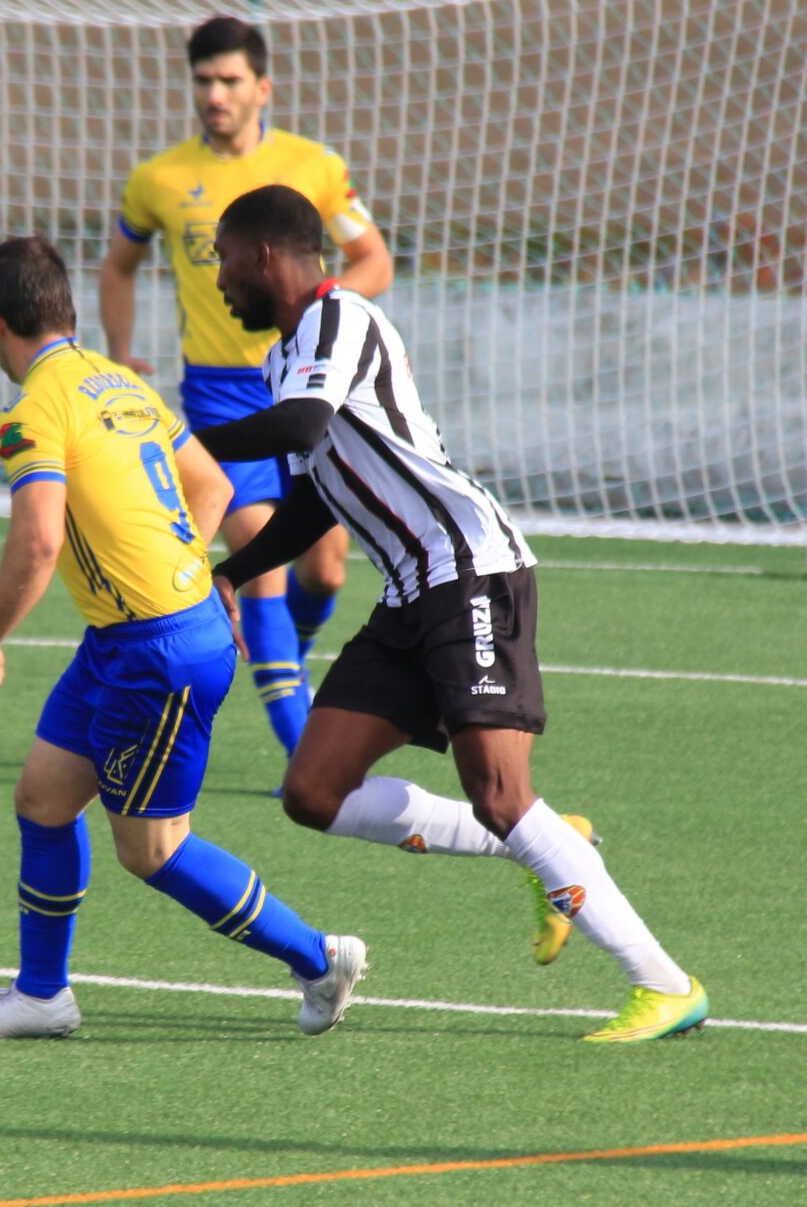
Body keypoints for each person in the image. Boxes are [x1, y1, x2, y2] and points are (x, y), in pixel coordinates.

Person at [197, 184, 709, 1043]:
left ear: (260, 254)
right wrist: (234, 568)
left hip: (470, 567)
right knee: (312, 790)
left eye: (221, 259)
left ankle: (664, 982)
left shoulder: (342, 317)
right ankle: (554, 844)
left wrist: (177, 440)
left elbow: (304, 422)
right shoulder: (281, 362)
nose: (216, 281)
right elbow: (319, 496)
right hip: (408, 589)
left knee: (501, 793)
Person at [0, 235, 367, 1040]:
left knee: (153, 849)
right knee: (42, 796)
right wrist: (187, 572)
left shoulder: (36, 407)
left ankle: (319, 956)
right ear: (64, 307)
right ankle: (42, 994)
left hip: (157, 648)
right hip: (127, 637)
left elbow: (37, 544)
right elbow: (208, 482)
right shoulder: (121, 381)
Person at [101, 17, 390, 760]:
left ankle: (282, 661)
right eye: (203, 80)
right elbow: (118, 265)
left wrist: (316, 320)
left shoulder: (315, 166)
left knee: (322, 568)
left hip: (305, 390)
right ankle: (305, 758)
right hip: (217, 397)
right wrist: (123, 352)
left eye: (230, 80)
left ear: (263, 87)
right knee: (260, 564)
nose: (215, 94)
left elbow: (374, 261)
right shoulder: (159, 178)